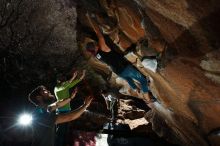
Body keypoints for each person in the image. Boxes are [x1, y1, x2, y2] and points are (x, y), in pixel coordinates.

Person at [28, 85, 93, 146]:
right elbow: (69, 117)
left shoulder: (46, 108)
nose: (48, 91)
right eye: (44, 91)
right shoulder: (40, 115)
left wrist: (70, 98)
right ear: (38, 98)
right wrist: (85, 105)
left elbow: (57, 104)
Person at [54, 70, 86, 146]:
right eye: (61, 78)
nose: (63, 79)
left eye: (63, 78)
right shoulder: (57, 88)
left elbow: (76, 81)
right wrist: (73, 77)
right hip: (61, 112)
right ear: (58, 80)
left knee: (65, 133)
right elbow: (65, 85)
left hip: (67, 111)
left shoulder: (65, 86)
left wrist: (82, 75)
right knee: (60, 133)